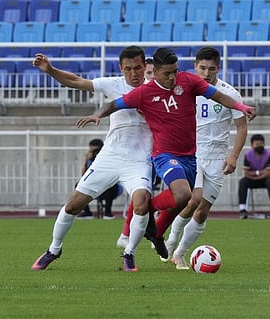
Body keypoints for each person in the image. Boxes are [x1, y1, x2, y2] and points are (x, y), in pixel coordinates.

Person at [76, 47, 256, 271]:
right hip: (168, 154)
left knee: (196, 207)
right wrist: (97, 115)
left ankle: (160, 233)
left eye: (175, 72)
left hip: (205, 156)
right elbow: (116, 103)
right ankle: (155, 229)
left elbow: (221, 99)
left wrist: (241, 107)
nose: (172, 77)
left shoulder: (191, 83)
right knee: (188, 197)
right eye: (202, 67)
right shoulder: (146, 91)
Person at [31, 45, 154, 272]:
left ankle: (129, 254)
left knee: (142, 202)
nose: (134, 73)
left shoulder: (155, 90)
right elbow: (76, 81)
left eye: (138, 68)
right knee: (73, 204)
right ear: (121, 68)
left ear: (145, 66)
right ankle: (53, 249)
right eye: (128, 69)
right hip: (110, 156)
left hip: (139, 160)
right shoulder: (113, 84)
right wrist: (50, 70)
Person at [139, 46, 247, 269]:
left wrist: (234, 156)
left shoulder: (230, 94)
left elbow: (241, 127)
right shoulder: (182, 88)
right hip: (192, 153)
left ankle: (179, 253)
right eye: (203, 68)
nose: (207, 73)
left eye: (212, 69)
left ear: (219, 68)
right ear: (196, 66)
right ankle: (167, 240)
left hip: (217, 157)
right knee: (192, 200)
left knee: (203, 209)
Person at [76, 138, 120, 220]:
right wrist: (87, 161)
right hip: (95, 186)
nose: (93, 153)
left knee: (109, 187)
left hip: (110, 186)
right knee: (78, 185)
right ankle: (87, 212)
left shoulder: (108, 157)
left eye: (94, 150)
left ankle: (108, 212)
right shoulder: (90, 159)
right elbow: (84, 176)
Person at [238, 134, 270, 219]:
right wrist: (260, 173)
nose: (259, 146)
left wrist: (255, 174)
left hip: (266, 180)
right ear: (252, 145)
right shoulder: (248, 155)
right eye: (257, 144)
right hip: (254, 180)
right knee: (242, 182)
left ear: (264, 144)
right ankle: (242, 210)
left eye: (261, 144)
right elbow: (246, 173)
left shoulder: (269, 154)